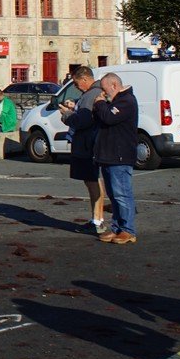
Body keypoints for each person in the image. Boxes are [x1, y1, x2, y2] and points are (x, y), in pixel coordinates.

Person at [91, 73, 139, 244]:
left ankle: (128, 230)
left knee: (122, 194)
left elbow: (109, 117)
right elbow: (101, 119)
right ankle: (117, 227)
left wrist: (100, 103)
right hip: (108, 155)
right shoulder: (114, 102)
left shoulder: (127, 101)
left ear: (114, 85)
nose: (103, 94)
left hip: (120, 156)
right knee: (113, 195)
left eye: (104, 90)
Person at [60, 66, 106, 234]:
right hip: (92, 142)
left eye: (77, 83)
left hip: (88, 144)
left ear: (86, 79)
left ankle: (98, 221)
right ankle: (97, 219)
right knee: (93, 181)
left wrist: (67, 115)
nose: (76, 87)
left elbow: (83, 121)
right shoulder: (95, 93)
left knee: (92, 181)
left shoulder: (90, 95)